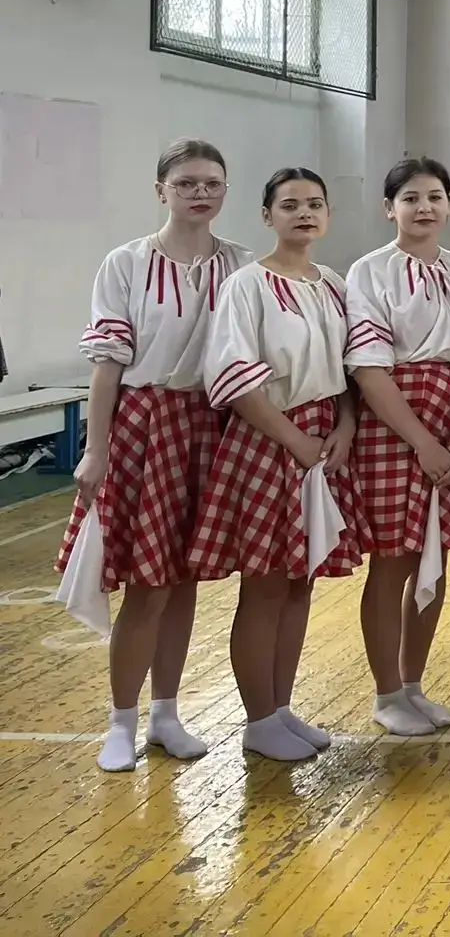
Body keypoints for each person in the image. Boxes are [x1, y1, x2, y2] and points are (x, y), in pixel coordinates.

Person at [60, 140, 250, 772]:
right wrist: (97, 448)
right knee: (147, 585)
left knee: (184, 579)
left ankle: (166, 713)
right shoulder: (126, 263)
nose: (200, 193)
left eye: (212, 183)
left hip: (215, 423)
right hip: (146, 424)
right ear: (161, 189)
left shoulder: (242, 264)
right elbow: (108, 365)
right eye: (187, 182)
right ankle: (120, 721)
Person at [188, 169, 362, 761]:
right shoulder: (247, 285)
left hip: (321, 441)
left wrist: (344, 426)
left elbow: (349, 368)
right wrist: (294, 440)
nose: (304, 213)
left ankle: (282, 707)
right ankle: (257, 719)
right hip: (270, 440)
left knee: (298, 581)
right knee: (263, 585)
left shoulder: (332, 284)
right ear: (268, 215)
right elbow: (234, 377)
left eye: (315, 203)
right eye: (289, 205)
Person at [344, 158, 450, 736]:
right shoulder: (369, 271)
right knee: (393, 560)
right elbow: (368, 368)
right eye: (410, 198)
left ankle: (412, 683)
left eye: (434, 196)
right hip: (395, 425)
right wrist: (422, 440)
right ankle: (385, 692)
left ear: (449, 204)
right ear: (389, 208)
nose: (424, 207)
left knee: (434, 559)